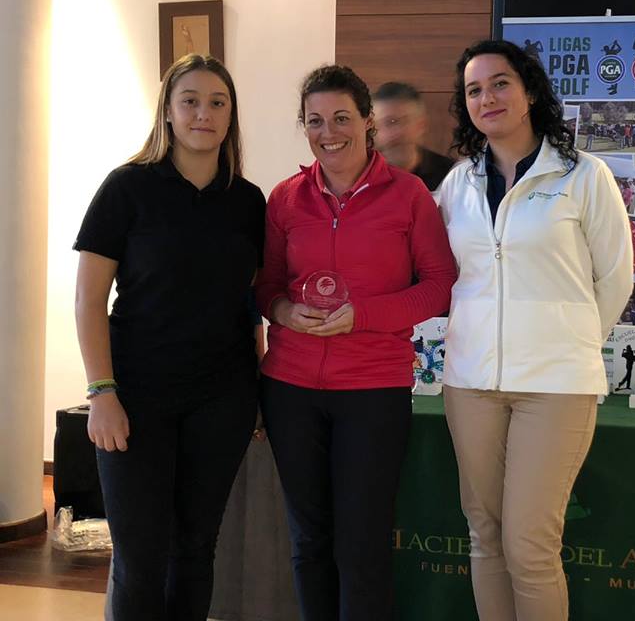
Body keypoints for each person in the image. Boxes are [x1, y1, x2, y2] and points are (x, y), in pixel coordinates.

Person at [436, 39, 633, 621]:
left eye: (500, 83)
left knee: (529, 544)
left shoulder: (583, 176)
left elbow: (614, 279)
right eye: (474, 90)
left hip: (555, 385)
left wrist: (569, 344)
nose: (487, 97)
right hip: (471, 381)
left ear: (529, 93)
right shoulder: (457, 185)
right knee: (485, 532)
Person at [255, 65, 457, 621]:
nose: (329, 132)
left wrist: (362, 316)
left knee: (362, 545)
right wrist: (283, 310)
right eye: (315, 121)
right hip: (290, 389)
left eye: (342, 117)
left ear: (368, 122)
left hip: (373, 390)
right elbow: (265, 286)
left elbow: (438, 285)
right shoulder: (286, 198)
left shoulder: (408, 196)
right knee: (309, 540)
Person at [74, 54, 265, 621]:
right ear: (167, 112)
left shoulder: (248, 200)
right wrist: (101, 392)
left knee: (196, 548)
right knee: (140, 557)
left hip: (223, 396)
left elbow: (250, 302)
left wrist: (257, 388)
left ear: (230, 116)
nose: (203, 113)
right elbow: (88, 300)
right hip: (136, 396)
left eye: (217, 103)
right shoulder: (126, 188)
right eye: (190, 101)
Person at [372, 81, 455, 192]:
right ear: (373, 129)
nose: (398, 132)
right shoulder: (358, 176)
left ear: (421, 125)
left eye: (406, 121)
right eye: (389, 122)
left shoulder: (452, 176)